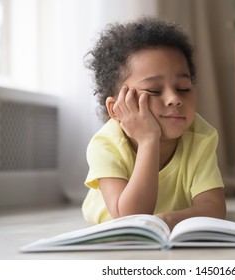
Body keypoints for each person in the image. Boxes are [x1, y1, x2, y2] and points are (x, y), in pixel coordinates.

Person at [82, 16, 226, 230]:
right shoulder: (105, 144)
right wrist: (149, 139)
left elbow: (215, 208)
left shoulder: (201, 136)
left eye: (183, 88)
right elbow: (131, 218)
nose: (174, 98)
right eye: (154, 91)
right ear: (117, 109)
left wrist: (167, 220)